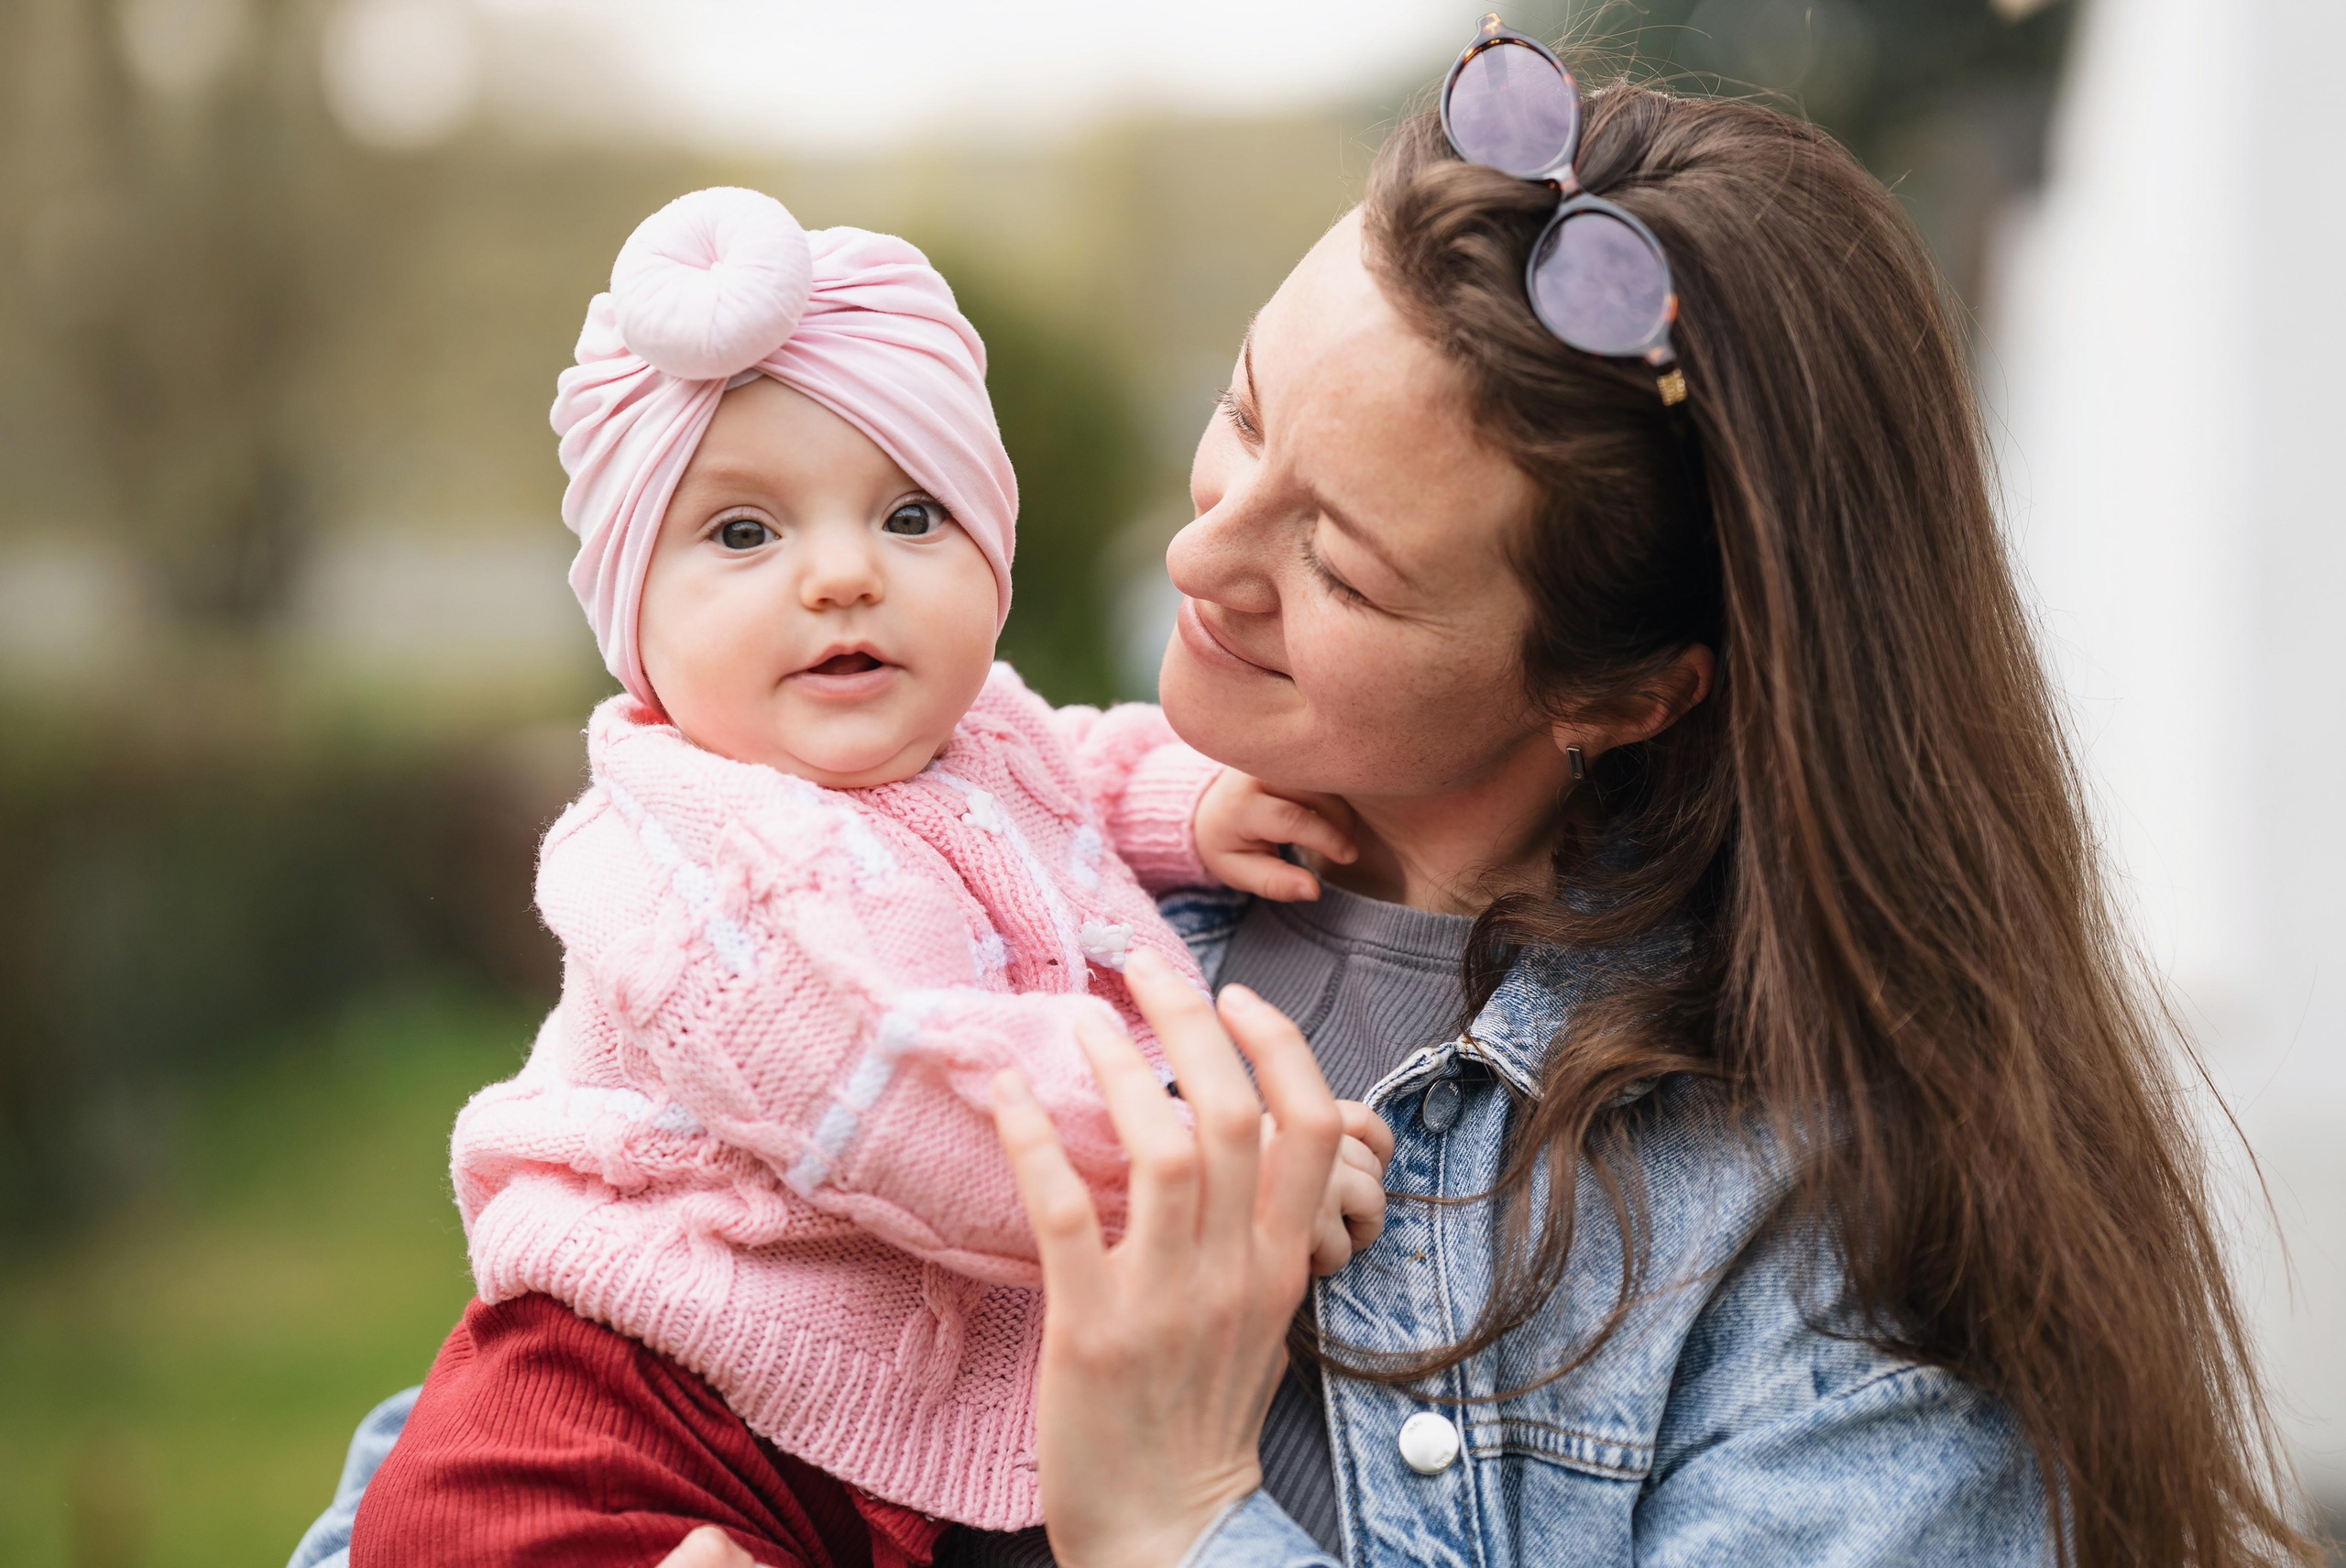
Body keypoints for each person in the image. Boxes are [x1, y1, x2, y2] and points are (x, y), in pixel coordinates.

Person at [296, 25, 2321, 1568]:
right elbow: (479, 1427)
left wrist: (1183, 1510)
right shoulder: (1008, 871)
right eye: (1241, 411)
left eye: (1336, 566)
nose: (1197, 560)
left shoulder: (1809, 1250)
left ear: (1625, 688)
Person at [327, 185, 1391, 1566]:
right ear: (631, 619)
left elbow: (1068, 768)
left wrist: (1195, 801)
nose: (842, 576)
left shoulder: (967, 733)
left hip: (813, 1425)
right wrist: (1209, 1174)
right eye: (744, 534)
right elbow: (915, 1093)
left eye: (909, 516)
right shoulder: (675, 864)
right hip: (620, 1415)